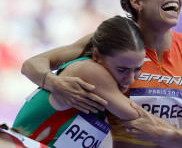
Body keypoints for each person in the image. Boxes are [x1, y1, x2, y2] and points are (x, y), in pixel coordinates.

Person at [21, 0, 182, 147]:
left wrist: (165, 135)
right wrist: (55, 83)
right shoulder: (113, 42)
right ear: (137, 2)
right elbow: (31, 64)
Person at [13, 15, 146, 147]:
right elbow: (29, 64)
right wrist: (53, 82)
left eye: (138, 69)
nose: (130, 79)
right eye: (122, 70)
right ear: (96, 56)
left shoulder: (121, 47)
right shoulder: (89, 69)